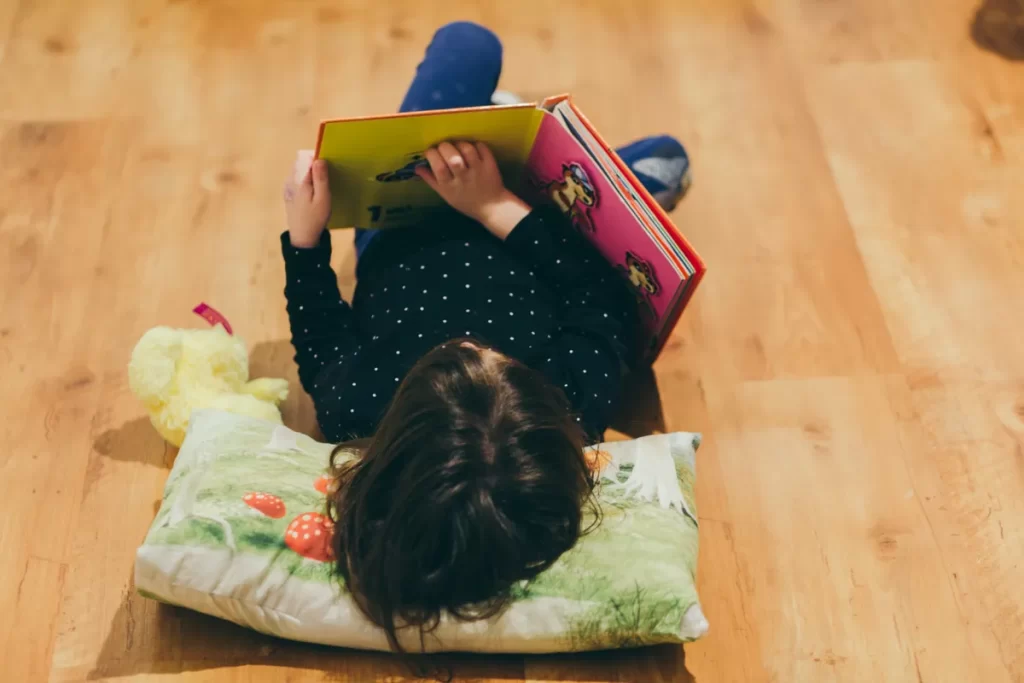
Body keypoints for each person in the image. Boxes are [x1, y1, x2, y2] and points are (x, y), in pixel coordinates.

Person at [280, 21, 690, 651]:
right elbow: (600, 296)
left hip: (406, 213)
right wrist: (496, 206)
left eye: (450, 360)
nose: (470, 343)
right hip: (533, 221)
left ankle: (517, 138)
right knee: (668, 158)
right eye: (495, 361)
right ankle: (534, 154)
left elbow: (320, 333)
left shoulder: (356, 409)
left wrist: (305, 237)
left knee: (469, 45)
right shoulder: (570, 406)